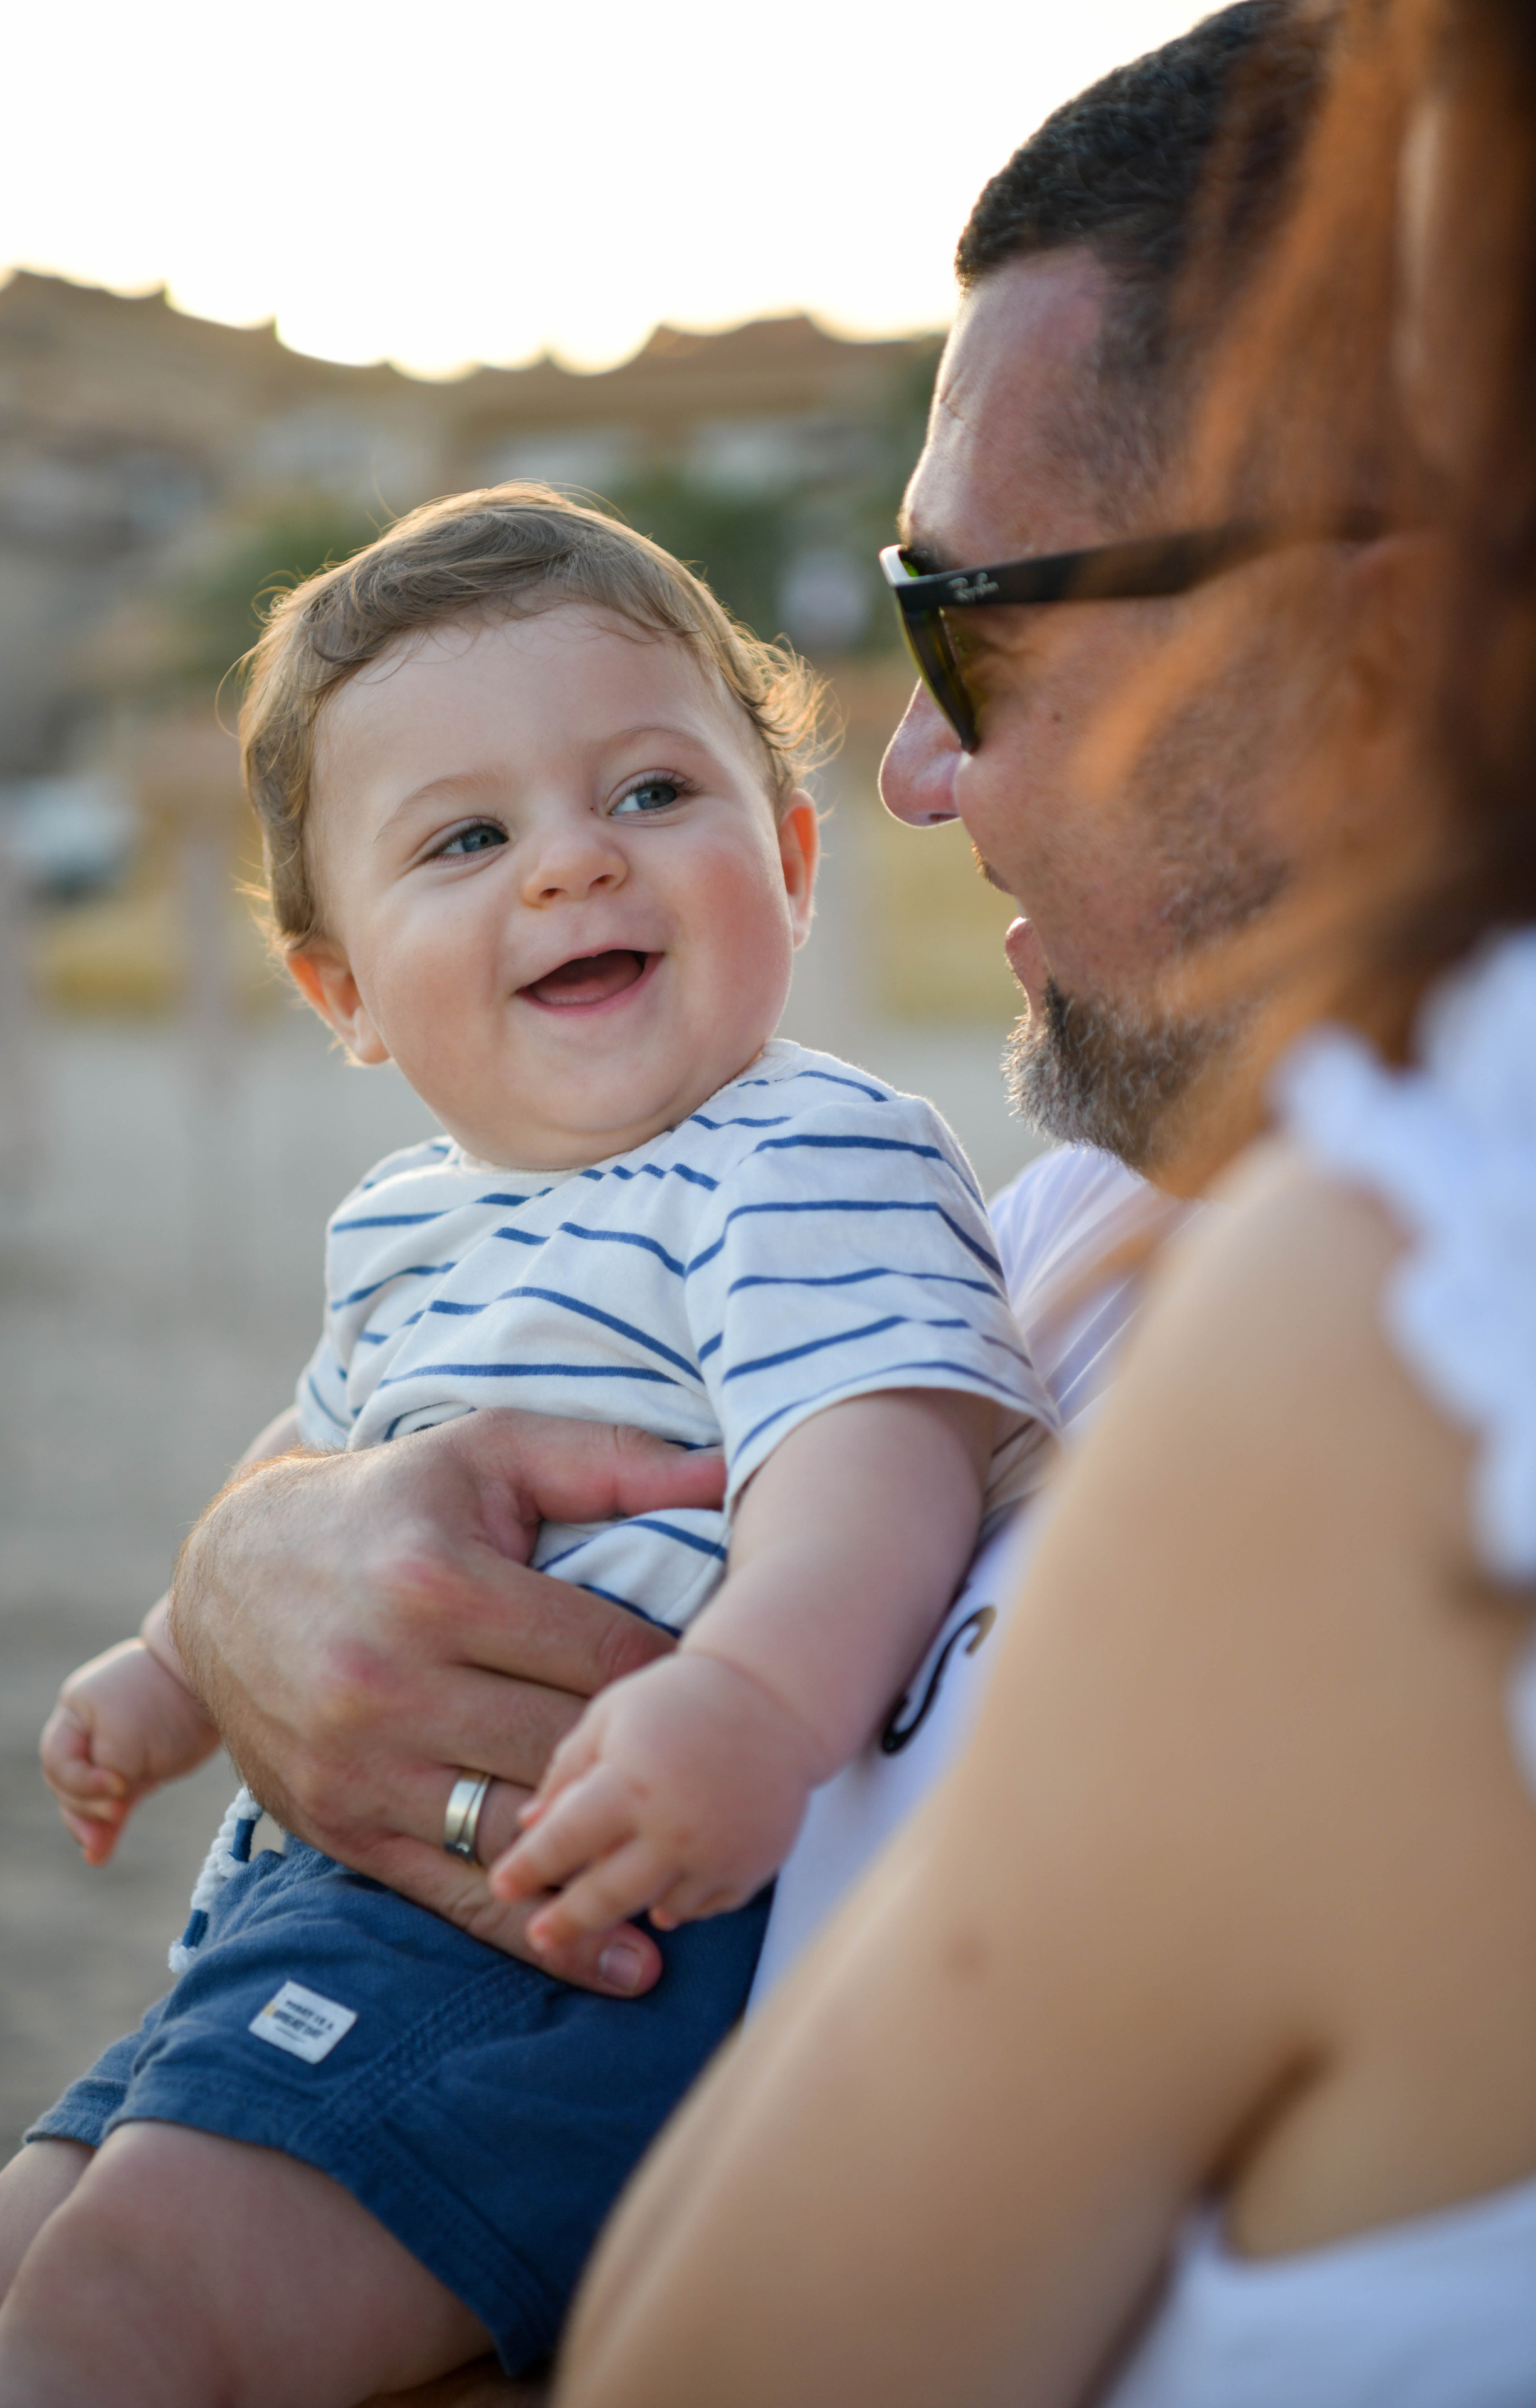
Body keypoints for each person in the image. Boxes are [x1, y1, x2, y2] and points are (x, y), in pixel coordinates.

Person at [548, 0, 1536, 2399]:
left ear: (1368, 638)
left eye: (962, 628)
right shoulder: (1134, 1209)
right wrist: (283, 1559)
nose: (907, 771)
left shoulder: (1411, 1316)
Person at [0, 488, 1055, 2408]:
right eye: (467, 839)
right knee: (2, 2272)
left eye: (647, 796)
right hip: (315, 1899)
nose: (569, 870)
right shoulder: (410, 1219)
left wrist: (760, 1709)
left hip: (572, 1917)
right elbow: (325, 1456)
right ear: (345, 992)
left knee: (127, 2310)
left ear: (788, 859)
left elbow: (876, 1448)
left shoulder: (807, 1150)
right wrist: (171, 1659)